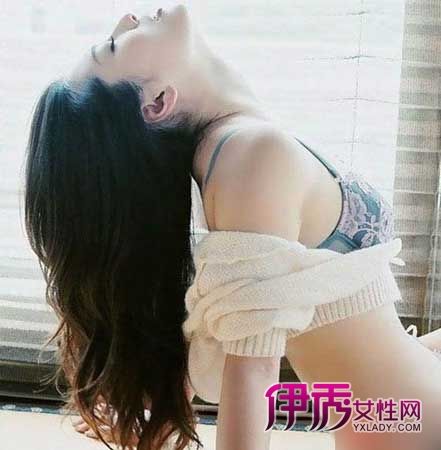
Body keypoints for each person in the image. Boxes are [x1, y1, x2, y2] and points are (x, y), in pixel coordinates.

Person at [24, 5, 441, 450]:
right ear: (158, 101)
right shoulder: (250, 158)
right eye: (112, 46)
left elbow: (360, 333)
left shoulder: (237, 150)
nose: (126, 18)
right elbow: (253, 370)